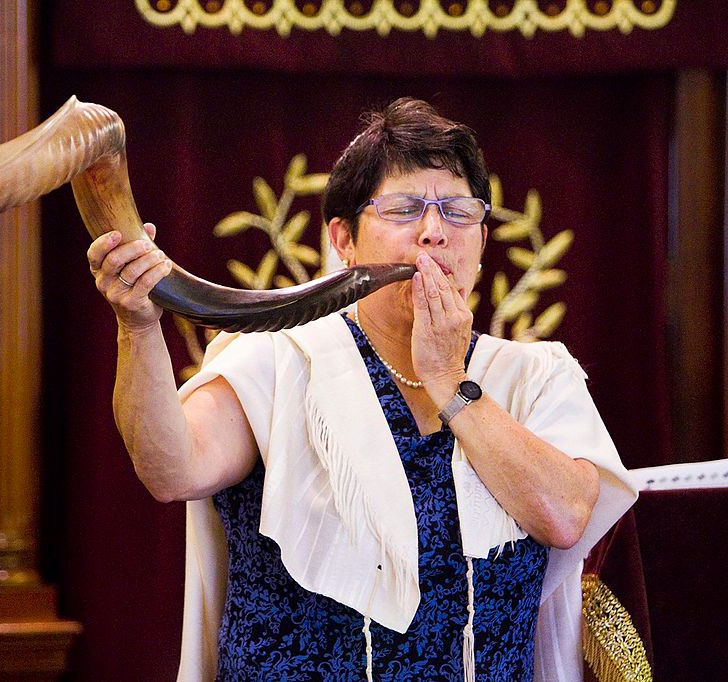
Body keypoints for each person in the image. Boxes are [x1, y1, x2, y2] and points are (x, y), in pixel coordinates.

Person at [86, 98, 636, 682]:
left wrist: (451, 381)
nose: (433, 233)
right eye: (404, 210)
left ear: (480, 241)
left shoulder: (534, 376)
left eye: (458, 212)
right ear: (343, 240)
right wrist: (139, 325)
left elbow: (565, 517)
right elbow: (171, 469)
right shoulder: (280, 359)